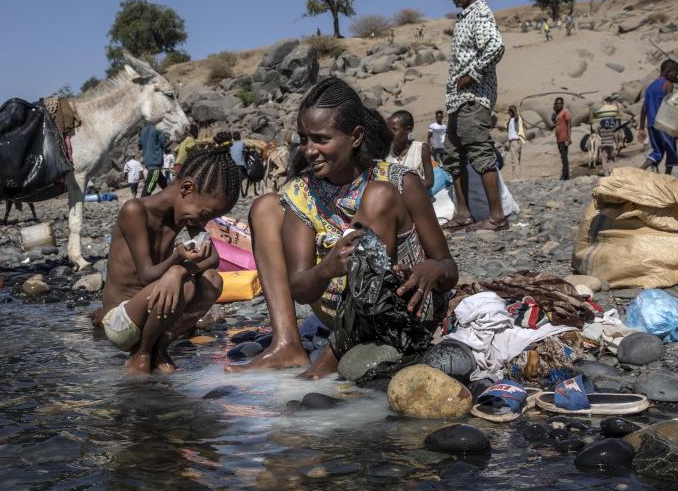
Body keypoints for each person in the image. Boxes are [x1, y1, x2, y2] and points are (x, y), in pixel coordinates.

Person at [232, 77, 459, 377]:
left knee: (378, 195)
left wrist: (433, 269)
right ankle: (287, 344)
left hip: (400, 310)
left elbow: (449, 269)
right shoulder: (304, 193)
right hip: (335, 312)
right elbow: (300, 288)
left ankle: (336, 351)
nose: (309, 150)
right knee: (265, 207)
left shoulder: (400, 181)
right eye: (304, 140)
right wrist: (326, 268)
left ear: (355, 137)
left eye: (321, 139)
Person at [97, 145, 241, 374]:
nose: (203, 223)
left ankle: (159, 348)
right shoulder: (135, 210)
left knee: (213, 280)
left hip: (151, 316)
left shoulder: (184, 217)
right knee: (183, 284)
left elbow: (213, 259)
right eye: (205, 215)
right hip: (121, 321)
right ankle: (142, 353)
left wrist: (181, 270)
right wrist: (176, 260)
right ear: (186, 188)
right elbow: (146, 274)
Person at [442, 0, 508, 232]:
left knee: (480, 154)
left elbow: (495, 46)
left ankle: (497, 216)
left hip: (474, 99)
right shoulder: (464, 17)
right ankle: (463, 213)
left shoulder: (480, 13)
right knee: (452, 154)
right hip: (459, 101)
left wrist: (472, 73)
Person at [639, 59, 678, 175]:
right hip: (664, 124)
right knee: (671, 150)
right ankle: (667, 176)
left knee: (657, 151)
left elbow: (643, 109)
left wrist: (641, 128)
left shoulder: (650, 86)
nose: (675, 77)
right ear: (669, 71)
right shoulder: (668, 85)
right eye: (675, 74)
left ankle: (641, 169)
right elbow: (670, 107)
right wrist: (676, 128)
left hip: (651, 125)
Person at [387, 110, 434, 190]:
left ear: (408, 129)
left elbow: (429, 182)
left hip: (417, 198)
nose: (389, 133)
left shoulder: (421, 148)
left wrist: (408, 192)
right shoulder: (387, 151)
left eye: (394, 130)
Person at [592, 99, 624, 176]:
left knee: (604, 158)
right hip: (610, 144)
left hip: (603, 144)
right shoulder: (612, 127)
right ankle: (610, 170)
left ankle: (606, 171)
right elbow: (614, 135)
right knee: (611, 157)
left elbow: (597, 133)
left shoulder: (600, 128)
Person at [139, 123, 169, 197]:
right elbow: (163, 142)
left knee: (166, 187)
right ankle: (142, 204)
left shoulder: (142, 131)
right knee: (148, 189)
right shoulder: (158, 129)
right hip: (155, 165)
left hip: (149, 164)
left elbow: (139, 146)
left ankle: (173, 200)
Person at [552, 97, 572, 180]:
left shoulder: (566, 112)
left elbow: (569, 125)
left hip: (564, 138)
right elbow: (556, 122)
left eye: (560, 103)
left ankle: (564, 176)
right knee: (563, 156)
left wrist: (569, 138)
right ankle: (566, 175)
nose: (559, 105)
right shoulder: (558, 113)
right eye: (557, 103)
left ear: (562, 104)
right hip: (559, 138)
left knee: (564, 157)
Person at [505, 106, 526, 177]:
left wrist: (515, 111)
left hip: (515, 141)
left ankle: (516, 177)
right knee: (515, 159)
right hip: (512, 141)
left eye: (510, 112)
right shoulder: (510, 120)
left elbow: (517, 117)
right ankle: (517, 175)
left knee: (515, 160)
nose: (509, 114)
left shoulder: (516, 119)